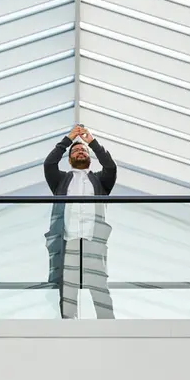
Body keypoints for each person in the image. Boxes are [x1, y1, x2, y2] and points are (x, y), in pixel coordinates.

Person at [43, 125, 117, 319]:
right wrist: (68, 139)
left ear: (89, 157)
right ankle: (68, 327)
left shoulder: (100, 181)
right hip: (69, 241)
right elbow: (49, 164)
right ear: (69, 159)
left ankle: (109, 326)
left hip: (93, 241)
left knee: (99, 286)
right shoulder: (61, 180)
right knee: (67, 288)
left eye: (83, 150)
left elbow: (111, 167)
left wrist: (92, 142)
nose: (80, 152)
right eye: (75, 151)